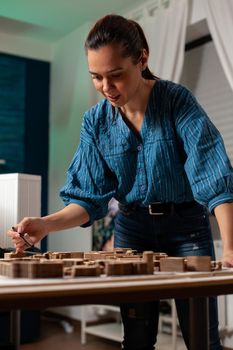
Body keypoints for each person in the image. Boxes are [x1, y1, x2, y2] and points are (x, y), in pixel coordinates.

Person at [8, 14, 233, 350]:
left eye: (115, 75)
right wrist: (44, 224)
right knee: (138, 339)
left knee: (203, 338)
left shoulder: (177, 102)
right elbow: (87, 199)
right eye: (96, 77)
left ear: (142, 59)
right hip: (133, 229)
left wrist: (230, 247)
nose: (106, 88)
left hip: (187, 227)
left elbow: (214, 176)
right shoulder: (95, 123)